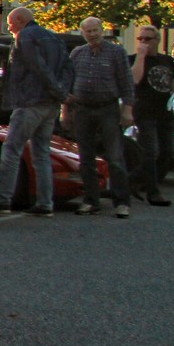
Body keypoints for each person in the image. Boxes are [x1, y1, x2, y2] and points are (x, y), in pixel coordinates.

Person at [0, 6, 69, 215]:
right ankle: (45, 203)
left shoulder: (25, 37)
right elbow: (68, 68)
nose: (9, 28)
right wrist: (60, 93)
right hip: (50, 104)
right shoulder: (55, 38)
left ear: (20, 20)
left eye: (10, 24)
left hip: (30, 100)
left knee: (12, 149)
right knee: (41, 153)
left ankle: (3, 199)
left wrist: (54, 88)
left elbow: (37, 67)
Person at [65, 17, 135, 217]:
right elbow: (68, 83)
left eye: (95, 30)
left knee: (115, 157)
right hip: (82, 109)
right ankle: (91, 200)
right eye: (88, 31)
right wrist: (65, 111)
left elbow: (126, 82)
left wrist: (127, 109)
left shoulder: (116, 52)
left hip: (107, 108)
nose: (93, 34)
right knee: (85, 158)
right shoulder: (77, 53)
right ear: (83, 33)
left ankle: (122, 202)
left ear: (102, 30)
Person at [130, 25, 173, 207]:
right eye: (140, 39)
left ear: (157, 40)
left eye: (148, 39)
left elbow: (170, 82)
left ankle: (130, 179)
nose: (143, 42)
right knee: (150, 152)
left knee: (167, 152)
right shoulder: (133, 59)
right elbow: (134, 79)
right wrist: (141, 56)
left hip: (165, 111)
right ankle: (153, 192)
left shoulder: (166, 60)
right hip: (144, 112)